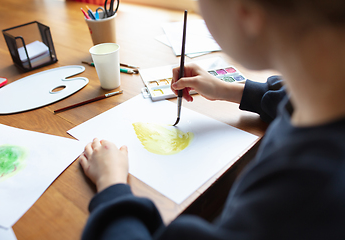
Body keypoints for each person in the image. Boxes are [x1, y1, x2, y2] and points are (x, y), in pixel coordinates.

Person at [78, 0, 345, 239]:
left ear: (247, 14)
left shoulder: (294, 201)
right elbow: (288, 97)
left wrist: (111, 187)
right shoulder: (322, 92)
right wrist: (227, 89)